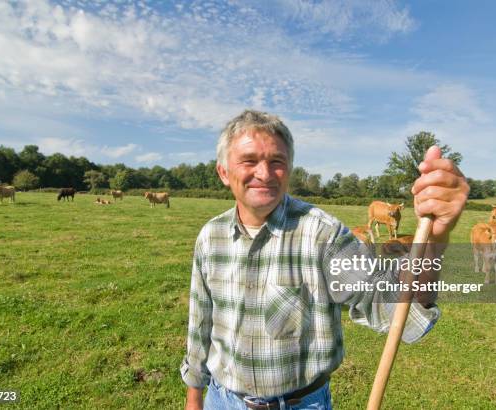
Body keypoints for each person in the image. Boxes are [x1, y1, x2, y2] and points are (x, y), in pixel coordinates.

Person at [181, 110, 469, 409]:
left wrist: (435, 241)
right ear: (224, 172)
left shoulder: (322, 234)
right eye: (249, 160)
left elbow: (391, 300)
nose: (265, 173)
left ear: (289, 170)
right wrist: (194, 396)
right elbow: (200, 322)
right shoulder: (210, 236)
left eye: (277, 162)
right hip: (222, 400)